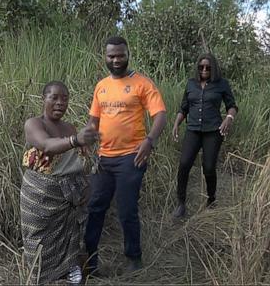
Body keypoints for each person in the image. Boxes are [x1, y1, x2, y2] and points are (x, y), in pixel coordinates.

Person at [84, 36, 167, 274]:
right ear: (105, 57)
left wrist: (149, 141)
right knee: (95, 207)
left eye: (120, 55)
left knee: (126, 208)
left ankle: (134, 259)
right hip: (104, 158)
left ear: (127, 54)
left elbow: (160, 115)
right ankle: (90, 261)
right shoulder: (101, 86)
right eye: (111, 56)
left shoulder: (142, 83)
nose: (116, 60)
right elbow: (93, 121)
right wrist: (85, 138)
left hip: (132, 156)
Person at [20, 81, 98, 284]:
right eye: (54, 97)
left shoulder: (69, 127)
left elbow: (78, 161)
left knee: (69, 234)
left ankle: (70, 270)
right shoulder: (34, 124)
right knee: (38, 235)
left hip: (67, 194)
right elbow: (47, 145)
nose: (59, 103)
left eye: (64, 98)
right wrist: (75, 140)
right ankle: (41, 274)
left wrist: (85, 184)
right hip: (40, 193)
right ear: (43, 99)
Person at [172, 53, 238, 218]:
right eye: (201, 67)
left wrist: (229, 118)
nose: (204, 70)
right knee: (184, 164)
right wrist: (176, 124)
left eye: (208, 67)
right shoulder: (191, 84)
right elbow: (184, 108)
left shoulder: (222, 84)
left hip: (213, 132)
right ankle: (181, 203)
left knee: (208, 167)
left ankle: (211, 199)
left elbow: (232, 106)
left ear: (213, 68)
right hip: (193, 130)